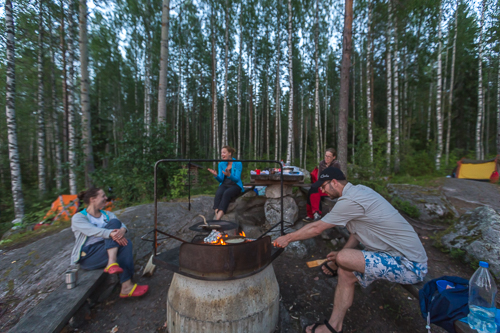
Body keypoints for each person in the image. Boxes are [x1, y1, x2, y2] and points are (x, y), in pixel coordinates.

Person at [273, 167, 428, 333]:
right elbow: (356, 233)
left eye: (323, 186)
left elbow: (317, 228)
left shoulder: (351, 200)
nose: (322, 190)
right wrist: (340, 257)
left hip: (409, 264)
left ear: (334, 182)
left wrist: (287, 238)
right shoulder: (358, 191)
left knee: (344, 258)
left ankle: (333, 322)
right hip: (390, 255)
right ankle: (334, 327)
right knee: (346, 272)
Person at [71, 188, 149, 298]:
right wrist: (111, 233)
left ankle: (126, 286)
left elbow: (122, 225)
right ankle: (111, 262)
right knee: (114, 229)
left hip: (105, 250)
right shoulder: (79, 217)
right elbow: (92, 230)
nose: (106, 198)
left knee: (124, 241)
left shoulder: (107, 214)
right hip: (89, 256)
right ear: (93, 199)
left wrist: (122, 230)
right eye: (103, 196)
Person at [303, 148, 341, 222]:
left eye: (329, 156)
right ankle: (316, 213)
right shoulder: (322, 163)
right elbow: (320, 176)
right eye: (326, 156)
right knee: (313, 188)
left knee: (313, 190)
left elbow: (336, 178)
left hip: (332, 188)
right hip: (323, 185)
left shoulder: (336, 165)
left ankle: (313, 214)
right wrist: (320, 185)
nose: (326, 158)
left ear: (334, 157)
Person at [207, 146, 243, 220]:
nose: (222, 155)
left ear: (229, 153)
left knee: (226, 193)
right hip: (225, 184)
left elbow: (237, 179)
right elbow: (220, 180)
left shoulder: (238, 163)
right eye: (221, 153)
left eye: (224, 152)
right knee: (218, 194)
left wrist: (229, 175)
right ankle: (217, 216)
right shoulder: (221, 164)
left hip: (235, 185)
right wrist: (216, 175)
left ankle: (217, 220)